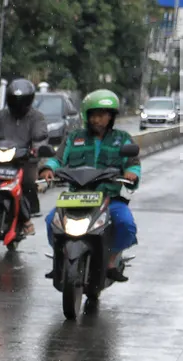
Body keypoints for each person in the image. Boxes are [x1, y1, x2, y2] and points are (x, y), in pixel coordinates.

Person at [39, 89, 139, 282]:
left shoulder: (122, 139)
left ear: (111, 117)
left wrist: (131, 174)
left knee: (126, 225)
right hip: (76, 197)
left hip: (109, 199)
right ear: (87, 116)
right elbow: (57, 159)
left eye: (102, 115)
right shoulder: (74, 138)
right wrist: (48, 169)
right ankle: (59, 260)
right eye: (93, 115)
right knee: (52, 221)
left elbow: (133, 163)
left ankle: (111, 260)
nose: (97, 120)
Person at [0, 77, 49, 236]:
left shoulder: (37, 117)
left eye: (22, 101)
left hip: (24, 161)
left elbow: (40, 136)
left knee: (26, 183)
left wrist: (37, 149)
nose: (18, 105)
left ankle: (26, 221)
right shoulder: (0, 116)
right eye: (15, 100)